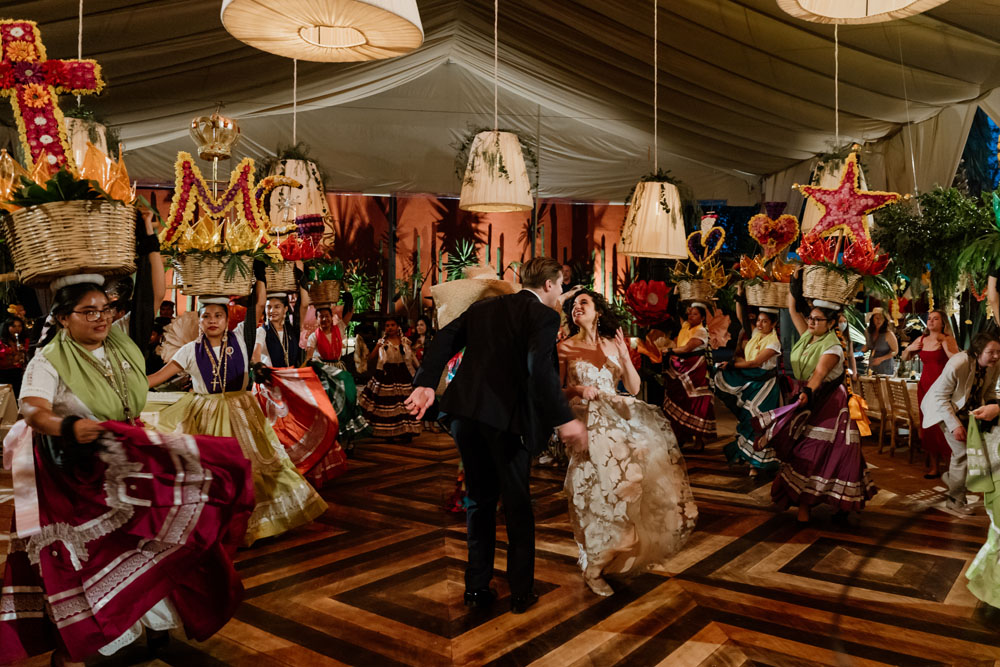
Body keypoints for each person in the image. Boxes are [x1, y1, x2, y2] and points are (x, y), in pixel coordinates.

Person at [0, 277, 254, 666]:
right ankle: (74, 648)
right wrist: (69, 427)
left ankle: (151, 621)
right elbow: (33, 410)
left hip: (121, 455)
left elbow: (148, 297)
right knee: (83, 559)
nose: (101, 318)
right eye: (89, 312)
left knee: (157, 532)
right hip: (70, 472)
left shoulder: (120, 346)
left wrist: (148, 234)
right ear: (64, 318)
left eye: (106, 309)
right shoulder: (48, 359)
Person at [405, 257, 587, 615]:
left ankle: (476, 588)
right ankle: (520, 592)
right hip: (507, 422)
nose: (562, 293)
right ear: (549, 285)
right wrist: (564, 419)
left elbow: (445, 337)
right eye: (561, 287)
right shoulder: (544, 316)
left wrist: (426, 382)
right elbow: (540, 370)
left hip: (467, 416)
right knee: (517, 506)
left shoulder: (486, 307)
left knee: (479, 501)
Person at [147, 297, 328, 544]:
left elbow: (258, 304)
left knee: (255, 466)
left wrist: (260, 280)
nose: (212, 321)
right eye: (206, 316)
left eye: (217, 316)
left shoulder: (241, 341)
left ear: (227, 319)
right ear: (198, 320)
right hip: (207, 414)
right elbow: (157, 377)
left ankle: (256, 523)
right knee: (212, 472)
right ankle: (217, 525)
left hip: (242, 413)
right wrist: (127, 385)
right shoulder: (190, 350)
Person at [559, 290, 696, 596]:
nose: (576, 308)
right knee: (597, 494)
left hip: (619, 425)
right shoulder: (565, 347)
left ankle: (604, 554)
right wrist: (579, 389)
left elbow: (633, 388)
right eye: (573, 305)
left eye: (584, 303)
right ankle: (594, 563)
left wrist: (623, 356)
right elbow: (556, 392)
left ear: (598, 312)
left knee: (627, 489)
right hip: (588, 427)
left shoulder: (613, 343)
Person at [756, 287, 877, 523]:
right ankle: (807, 505)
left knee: (817, 452)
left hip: (831, 404)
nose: (811, 322)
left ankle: (818, 504)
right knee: (801, 451)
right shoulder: (808, 337)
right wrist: (793, 290)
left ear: (831, 323)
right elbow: (793, 311)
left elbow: (819, 375)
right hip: (808, 399)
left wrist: (807, 393)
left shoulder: (832, 347)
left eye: (817, 319)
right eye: (810, 317)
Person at [921, 331, 1000, 515]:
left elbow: (988, 392)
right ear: (979, 350)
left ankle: (951, 478)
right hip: (943, 409)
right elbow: (940, 397)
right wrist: (954, 425)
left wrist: (991, 410)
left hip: (968, 411)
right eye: (991, 352)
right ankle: (955, 501)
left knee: (976, 451)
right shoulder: (959, 362)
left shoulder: (995, 365)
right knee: (962, 453)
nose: (996, 356)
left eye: (999, 352)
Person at [714, 307, 782, 475]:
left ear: (773, 324)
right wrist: (739, 297)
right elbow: (741, 316)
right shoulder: (756, 335)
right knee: (747, 417)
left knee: (759, 421)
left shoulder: (774, 343)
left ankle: (756, 464)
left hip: (765, 385)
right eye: (758, 320)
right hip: (752, 381)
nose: (759, 324)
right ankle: (747, 455)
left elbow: (755, 363)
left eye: (765, 321)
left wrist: (732, 365)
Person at [902, 310, 960, 479]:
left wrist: (943, 345)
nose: (931, 321)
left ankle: (950, 468)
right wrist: (910, 348)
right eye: (929, 318)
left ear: (943, 323)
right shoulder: (921, 339)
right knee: (928, 426)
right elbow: (905, 357)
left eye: (936, 319)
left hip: (943, 388)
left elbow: (957, 361)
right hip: (924, 387)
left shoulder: (948, 339)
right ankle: (934, 467)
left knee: (944, 427)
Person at [304, 305, 369, 444]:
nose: (324, 319)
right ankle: (329, 435)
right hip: (324, 371)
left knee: (349, 397)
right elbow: (309, 356)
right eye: (321, 317)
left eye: (327, 316)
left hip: (339, 369)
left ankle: (349, 436)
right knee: (328, 402)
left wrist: (349, 301)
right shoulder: (313, 337)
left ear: (331, 318)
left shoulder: (338, 328)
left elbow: (349, 315)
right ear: (317, 319)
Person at [662, 302, 717, 449]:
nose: (691, 316)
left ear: (702, 317)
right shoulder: (686, 326)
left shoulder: (701, 332)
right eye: (690, 313)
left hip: (695, 370)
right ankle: (680, 436)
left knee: (696, 403)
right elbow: (679, 310)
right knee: (680, 400)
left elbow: (687, 348)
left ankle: (699, 440)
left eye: (695, 314)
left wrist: (670, 351)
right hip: (681, 368)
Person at [359, 316, 421, 441]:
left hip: (403, 374)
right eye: (387, 325)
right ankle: (388, 432)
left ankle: (406, 432)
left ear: (398, 326)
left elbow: (413, 359)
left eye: (392, 325)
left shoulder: (405, 341)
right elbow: (371, 358)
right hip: (386, 375)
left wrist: (420, 372)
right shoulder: (382, 342)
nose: (390, 328)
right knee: (388, 405)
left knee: (404, 405)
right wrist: (378, 345)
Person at [862, 307, 898, 376]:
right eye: (877, 318)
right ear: (872, 319)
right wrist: (862, 350)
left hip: (885, 368)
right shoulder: (868, 332)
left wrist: (882, 359)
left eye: (882, 318)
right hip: (872, 366)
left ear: (885, 320)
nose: (879, 321)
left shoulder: (888, 334)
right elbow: (869, 346)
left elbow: (895, 351)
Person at [0, 315, 28, 395]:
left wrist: (24, 353)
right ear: (7, 327)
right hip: (4, 375)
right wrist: (12, 358)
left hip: (19, 374)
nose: (17, 329)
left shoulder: (24, 341)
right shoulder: (2, 343)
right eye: (13, 326)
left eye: (20, 326)